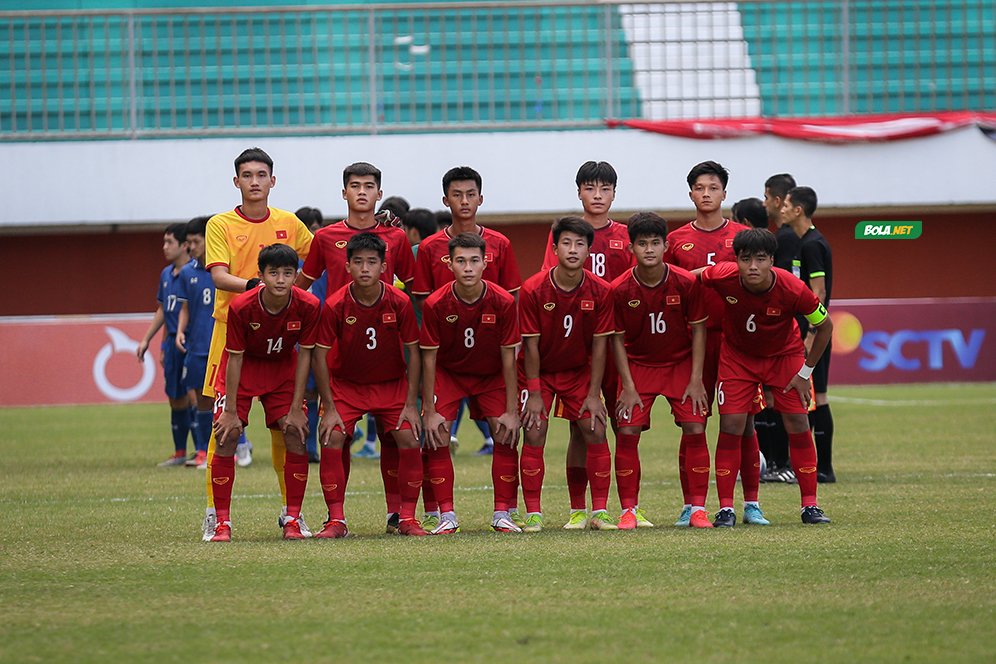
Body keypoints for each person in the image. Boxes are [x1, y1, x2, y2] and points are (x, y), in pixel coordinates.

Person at [294, 163, 416, 529]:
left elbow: (416, 288)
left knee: (396, 438)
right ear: (343, 193)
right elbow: (301, 286)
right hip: (338, 354)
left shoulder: (395, 238)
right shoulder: (326, 237)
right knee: (336, 437)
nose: (361, 192)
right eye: (354, 186)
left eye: (368, 186)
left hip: (388, 353)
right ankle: (336, 519)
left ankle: (400, 515)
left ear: (379, 194)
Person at [201, 147, 313, 542]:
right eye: (246, 174)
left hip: (280, 340)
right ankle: (216, 514)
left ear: (272, 181)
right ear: (236, 182)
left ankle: (292, 514)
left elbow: (315, 260)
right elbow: (218, 276)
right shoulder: (220, 224)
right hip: (232, 335)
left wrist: (290, 297)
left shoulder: (289, 222)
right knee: (224, 425)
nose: (254, 181)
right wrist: (259, 288)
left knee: (288, 431)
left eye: (261, 174)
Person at [413, 166, 523, 529]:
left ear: (480, 197)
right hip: (447, 365)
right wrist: (426, 406)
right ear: (445, 199)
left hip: (492, 366)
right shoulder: (429, 250)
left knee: (506, 432)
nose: (464, 200)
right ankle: (443, 514)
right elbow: (425, 316)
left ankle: (503, 513)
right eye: (456, 194)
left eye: (470, 193)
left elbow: (512, 328)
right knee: (436, 432)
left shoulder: (501, 246)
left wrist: (512, 404)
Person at [701, 228, 833, 526]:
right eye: (745, 259)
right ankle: (725, 508)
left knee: (798, 421)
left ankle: (810, 505)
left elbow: (825, 326)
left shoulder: (793, 288)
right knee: (732, 423)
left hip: (783, 357)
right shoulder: (723, 275)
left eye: (761, 259)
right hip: (738, 358)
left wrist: (805, 373)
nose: (753, 267)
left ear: (772, 260)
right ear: (736, 260)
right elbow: (694, 276)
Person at [662, 161, 764, 526]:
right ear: (690, 193)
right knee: (694, 423)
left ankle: (751, 503)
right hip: (693, 346)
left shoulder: (742, 237)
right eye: (700, 188)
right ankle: (693, 504)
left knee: (745, 424)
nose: (706, 194)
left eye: (713, 188)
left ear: (724, 193)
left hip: (736, 344)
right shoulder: (673, 241)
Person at [311, 233, 428, 537]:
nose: (365, 268)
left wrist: (410, 404)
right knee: (332, 437)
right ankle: (336, 520)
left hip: (391, 385)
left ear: (384, 266)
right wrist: (330, 407)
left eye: (372, 262)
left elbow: (414, 351)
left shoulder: (399, 301)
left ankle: (407, 518)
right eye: (358, 262)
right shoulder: (335, 304)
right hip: (346, 386)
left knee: (409, 437)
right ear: (347, 266)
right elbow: (319, 356)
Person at [540, 161, 634, 528]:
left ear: (614, 193)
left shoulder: (626, 236)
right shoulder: (565, 235)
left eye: (605, 189)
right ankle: (580, 510)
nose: (598, 196)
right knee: (582, 427)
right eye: (591, 188)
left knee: (625, 425)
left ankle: (628, 507)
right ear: (579, 191)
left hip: (620, 346)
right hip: (578, 350)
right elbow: (549, 284)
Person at [206, 244, 322, 542]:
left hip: (283, 373)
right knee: (227, 434)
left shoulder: (308, 305)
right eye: (273, 273)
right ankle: (220, 522)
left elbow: (306, 355)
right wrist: (231, 411)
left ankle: (293, 518)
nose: (281, 280)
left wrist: (298, 405)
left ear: (296, 275)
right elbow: (235, 357)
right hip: (241, 372)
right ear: (261, 275)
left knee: (296, 431)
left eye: (287, 273)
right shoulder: (242, 307)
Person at [611, 213, 714, 529]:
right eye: (642, 244)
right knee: (627, 432)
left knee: (695, 428)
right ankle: (629, 510)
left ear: (666, 245)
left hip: (680, 364)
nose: (649, 250)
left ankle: (696, 509)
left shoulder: (685, 282)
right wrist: (626, 385)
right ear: (631, 249)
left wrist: (696, 379)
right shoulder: (619, 289)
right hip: (638, 366)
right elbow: (616, 339)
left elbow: (699, 331)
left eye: (655, 243)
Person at [519, 217, 614, 532]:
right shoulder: (533, 288)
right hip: (540, 372)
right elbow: (530, 348)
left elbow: (600, 347)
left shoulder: (601, 290)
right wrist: (533, 393)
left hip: (578, 372)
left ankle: (595, 512)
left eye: (580, 244)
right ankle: (533, 514)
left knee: (595, 428)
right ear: (555, 247)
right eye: (566, 243)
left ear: (589, 249)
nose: (573, 250)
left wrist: (593, 394)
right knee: (534, 432)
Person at [782, 186, 836, 483]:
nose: (782, 210)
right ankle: (819, 467)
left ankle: (825, 468)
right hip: (810, 332)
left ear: (798, 210)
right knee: (811, 398)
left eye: (787, 205)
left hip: (814, 334)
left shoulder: (812, 245)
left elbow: (819, 292)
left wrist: (813, 332)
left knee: (819, 396)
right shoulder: (807, 242)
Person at [137, 223, 194, 467]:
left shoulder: (195, 273)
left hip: (192, 341)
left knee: (197, 396)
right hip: (171, 342)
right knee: (175, 397)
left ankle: (203, 449)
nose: (165, 247)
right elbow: (164, 308)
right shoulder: (166, 274)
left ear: (184, 245)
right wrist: (151, 340)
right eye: (164, 242)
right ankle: (180, 451)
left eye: (169, 242)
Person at [760, 173, 799, 483]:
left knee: (786, 400)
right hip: (791, 331)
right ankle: (778, 464)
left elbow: (789, 287)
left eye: (766, 196)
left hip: (788, 333)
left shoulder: (785, 239)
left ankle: (783, 464)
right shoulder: (787, 236)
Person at [175, 216, 217, 469]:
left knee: (224, 400)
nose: (191, 246)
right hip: (197, 345)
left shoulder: (223, 269)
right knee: (200, 399)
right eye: (188, 242)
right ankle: (202, 451)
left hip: (220, 345)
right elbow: (185, 308)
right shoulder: (187, 272)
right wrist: (181, 331)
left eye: (195, 241)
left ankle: (236, 446)